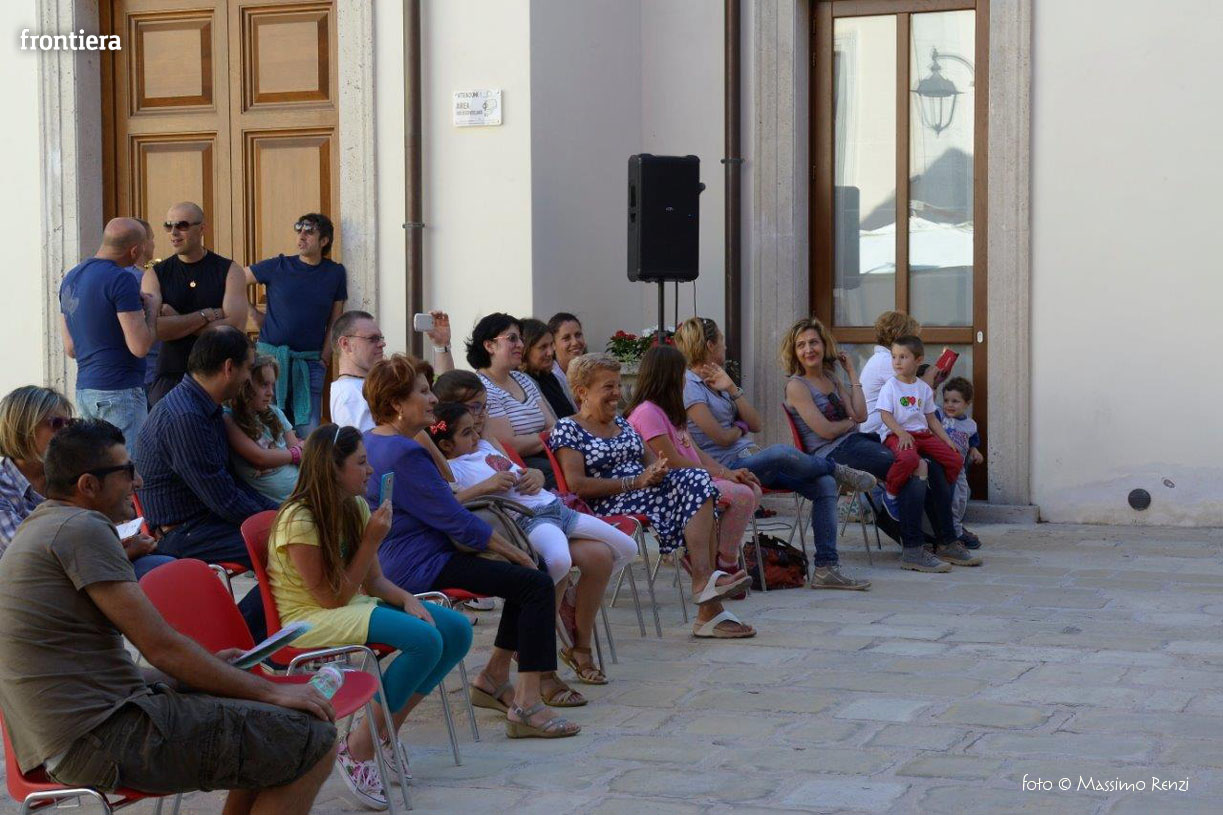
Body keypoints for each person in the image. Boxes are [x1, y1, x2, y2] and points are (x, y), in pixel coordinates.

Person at [0, 419, 337, 814]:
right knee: (315, 741)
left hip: (70, 737)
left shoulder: (45, 524)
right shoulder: (82, 528)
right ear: (88, 485)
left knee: (272, 737)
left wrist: (200, 673)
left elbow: (97, 671)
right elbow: (160, 646)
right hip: (96, 739)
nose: (139, 482)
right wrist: (272, 690)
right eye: (127, 471)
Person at [362, 354, 580, 738]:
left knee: (530, 575)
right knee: (535, 580)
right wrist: (516, 553)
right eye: (423, 392)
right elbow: (455, 518)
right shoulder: (405, 452)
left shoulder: (377, 440)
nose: (433, 399)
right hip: (419, 563)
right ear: (397, 404)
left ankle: (494, 677)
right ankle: (527, 705)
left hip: (403, 557)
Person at [268, 424, 472, 808]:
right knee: (425, 641)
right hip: (310, 617)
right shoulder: (299, 519)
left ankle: (384, 734)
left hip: (349, 604)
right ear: (332, 469)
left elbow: (374, 581)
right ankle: (359, 747)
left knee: (456, 630)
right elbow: (330, 598)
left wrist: (407, 599)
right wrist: (371, 540)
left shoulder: (355, 506)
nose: (371, 471)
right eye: (361, 463)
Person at [550, 353, 756, 639]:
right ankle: (707, 599)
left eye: (618, 385)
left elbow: (654, 461)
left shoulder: (622, 424)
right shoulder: (568, 428)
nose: (617, 393)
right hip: (607, 501)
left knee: (699, 482)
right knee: (697, 489)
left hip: (644, 492)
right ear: (582, 392)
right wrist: (634, 482)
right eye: (608, 387)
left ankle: (704, 584)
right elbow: (576, 485)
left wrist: (656, 471)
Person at [429, 402, 636, 686]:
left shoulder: (486, 445)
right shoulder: (454, 469)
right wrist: (487, 487)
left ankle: (568, 601)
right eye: (466, 433)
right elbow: (448, 504)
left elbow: (517, 466)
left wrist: (534, 475)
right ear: (445, 445)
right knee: (558, 562)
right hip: (529, 519)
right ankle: (540, 625)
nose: (475, 434)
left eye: (475, 428)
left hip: (555, 506)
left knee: (628, 548)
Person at [675, 317, 876, 591]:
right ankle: (837, 469)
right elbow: (721, 437)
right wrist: (739, 428)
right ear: (711, 345)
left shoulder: (720, 381)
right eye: (722, 341)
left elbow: (756, 424)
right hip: (727, 468)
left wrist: (732, 389)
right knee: (781, 452)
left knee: (824, 484)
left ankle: (826, 568)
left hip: (751, 460)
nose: (726, 347)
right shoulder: (691, 387)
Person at [779, 317, 961, 573]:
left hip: (855, 442)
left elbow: (861, 414)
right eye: (801, 345)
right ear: (794, 351)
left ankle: (945, 540)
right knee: (913, 464)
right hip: (830, 454)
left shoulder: (831, 378)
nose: (809, 349)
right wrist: (849, 423)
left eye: (813, 342)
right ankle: (913, 549)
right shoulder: (797, 386)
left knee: (928, 463)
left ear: (824, 345)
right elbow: (826, 431)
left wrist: (851, 373)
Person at [135, 326, 278, 636]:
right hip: (183, 533)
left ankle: (243, 637)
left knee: (296, 539)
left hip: (202, 522)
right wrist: (283, 521)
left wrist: (281, 513)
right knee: (293, 549)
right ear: (229, 368)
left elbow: (230, 486)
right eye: (247, 369)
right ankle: (238, 639)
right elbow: (225, 499)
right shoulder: (186, 416)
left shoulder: (202, 406)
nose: (248, 379)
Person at [0, 386, 173, 577]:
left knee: (165, 567)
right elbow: (33, 561)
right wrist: (126, 552)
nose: (67, 434)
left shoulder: (66, 473)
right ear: (23, 430)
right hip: (48, 583)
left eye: (70, 424)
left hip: (87, 568)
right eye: (57, 424)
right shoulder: (4, 489)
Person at [626, 345, 761, 579]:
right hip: (674, 485)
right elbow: (673, 462)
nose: (685, 381)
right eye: (681, 374)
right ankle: (725, 563)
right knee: (742, 495)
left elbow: (695, 453)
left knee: (752, 488)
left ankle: (710, 556)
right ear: (668, 377)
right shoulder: (647, 412)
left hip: (696, 478)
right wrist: (722, 474)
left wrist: (730, 472)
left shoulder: (670, 410)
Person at [873, 335, 980, 568]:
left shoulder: (922, 388)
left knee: (953, 460)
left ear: (918, 360)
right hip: (897, 434)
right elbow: (885, 415)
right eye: (894, 357)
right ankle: (891, 494)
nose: (897, 361)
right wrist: (901, 432)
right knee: (909, 459)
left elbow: (931, 418)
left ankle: (945, 498)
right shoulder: (891, 385)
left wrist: (946, 440)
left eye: (903, 357)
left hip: (922, 434)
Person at [59, 217, 160, 451]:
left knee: (98, 465)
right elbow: (140, 346)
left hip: (86, 390)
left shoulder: (71, 277)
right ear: (134, 250)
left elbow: (71, 348)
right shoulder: (121, 279)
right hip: (120, 392)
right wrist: (153, 310)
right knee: (127, 467)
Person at [245, 214, 347, 437]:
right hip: (269, 362)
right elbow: (236, 279)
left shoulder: (335, 273)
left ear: (324, 241)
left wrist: (325, 357)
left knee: (308, 433)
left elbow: (336, 319)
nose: (301, 236)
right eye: (299, 230)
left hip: (309, 364)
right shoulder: (278, 266)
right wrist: (252, 313)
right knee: (268, 428)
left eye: (309, 232)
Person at [142, 202, 248, 406]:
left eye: (182, 225)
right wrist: (205, 316)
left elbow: (233, 328)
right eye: (168, 226)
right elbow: (155, 328)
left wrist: (176, 320)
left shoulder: (229, 270)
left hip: (219, 377)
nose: (174, 232)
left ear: (202, 228)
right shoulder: (155, 274)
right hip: (171, 375)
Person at [468, 313, 557, 486]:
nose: (521, 345)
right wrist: (547, 436)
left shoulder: (523, 379)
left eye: (521, 339)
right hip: (519, 467)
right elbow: (510, 445)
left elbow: (553, 425)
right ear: (489, 345)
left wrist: (542, 437)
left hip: (546, 456)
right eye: (512, 338)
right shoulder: (482, 388)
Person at [224, 355, 302, 504]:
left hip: (301, 489)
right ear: (245, 384)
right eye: (264, 385)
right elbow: (261, 459)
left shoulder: (275, 413)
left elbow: (300, 453)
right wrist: (295, 454)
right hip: (279, 503)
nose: (271, 392)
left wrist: (293, 454)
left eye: (272, 385)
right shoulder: (230, 419)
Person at [936, 376, 983, 549]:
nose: (949, 405)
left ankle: (956, 527)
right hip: (941, 467)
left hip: (959, 469)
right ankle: (951, 531)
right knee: (947, 498)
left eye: (955, 401)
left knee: (961, 497)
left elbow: (972, 442)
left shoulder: (970, 425)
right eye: (946, 400)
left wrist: (975, 451)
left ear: (967, 403)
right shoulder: (940, 417)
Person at [329, 310, 386, 433]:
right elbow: (371, 443)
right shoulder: (350, 395)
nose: (382, 344)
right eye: (373, 339)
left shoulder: (359, 387)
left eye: (380, 338)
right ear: (346, 344)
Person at [125, 218, 161, 396]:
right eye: (152, 239)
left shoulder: (115, 277)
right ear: (142, 244)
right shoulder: (140, 279)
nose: (154, 244)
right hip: (150, 370)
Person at [520, 318, 576, 419]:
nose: (550, 352)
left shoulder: (554, 378)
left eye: (551, 344)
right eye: (543, 347)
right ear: (525, 350)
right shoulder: (523, 384)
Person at [547, 312, 586, 403]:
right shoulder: (551, 381)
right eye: (566, 338)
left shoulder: (591, 373)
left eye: (578, 335)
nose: (575, 342)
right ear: (553, 344)